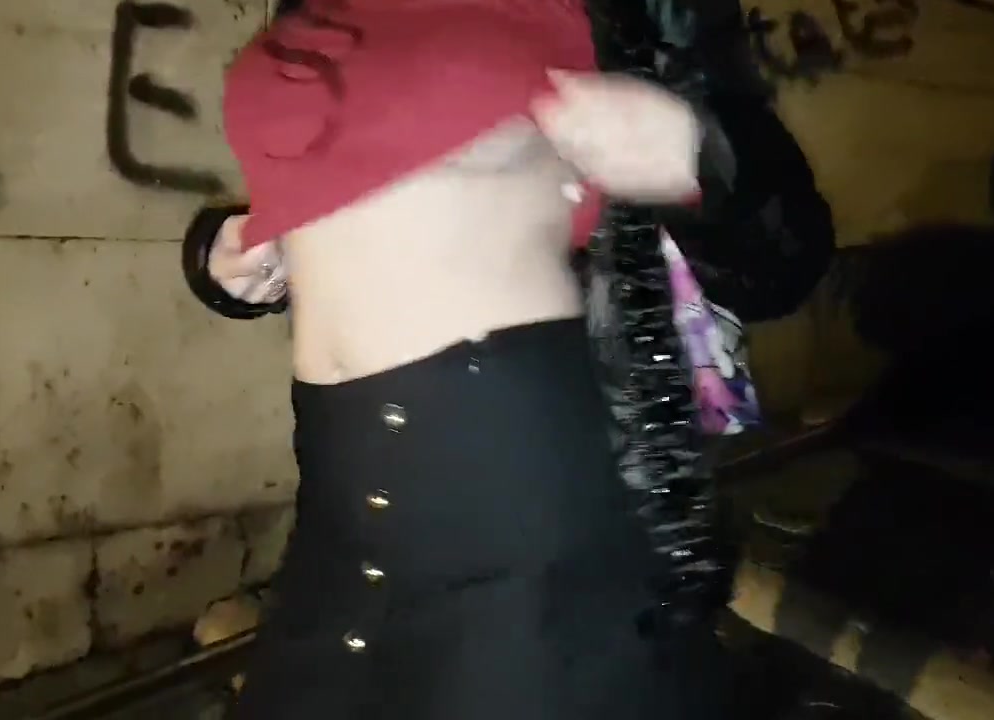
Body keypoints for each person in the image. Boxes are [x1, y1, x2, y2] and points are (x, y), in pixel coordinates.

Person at [184, 0, 797, 716]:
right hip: (337, 491)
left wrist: (696, 149)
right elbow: (341, 184)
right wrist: (224, 257)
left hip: (513, 481)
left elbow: (787, 249)